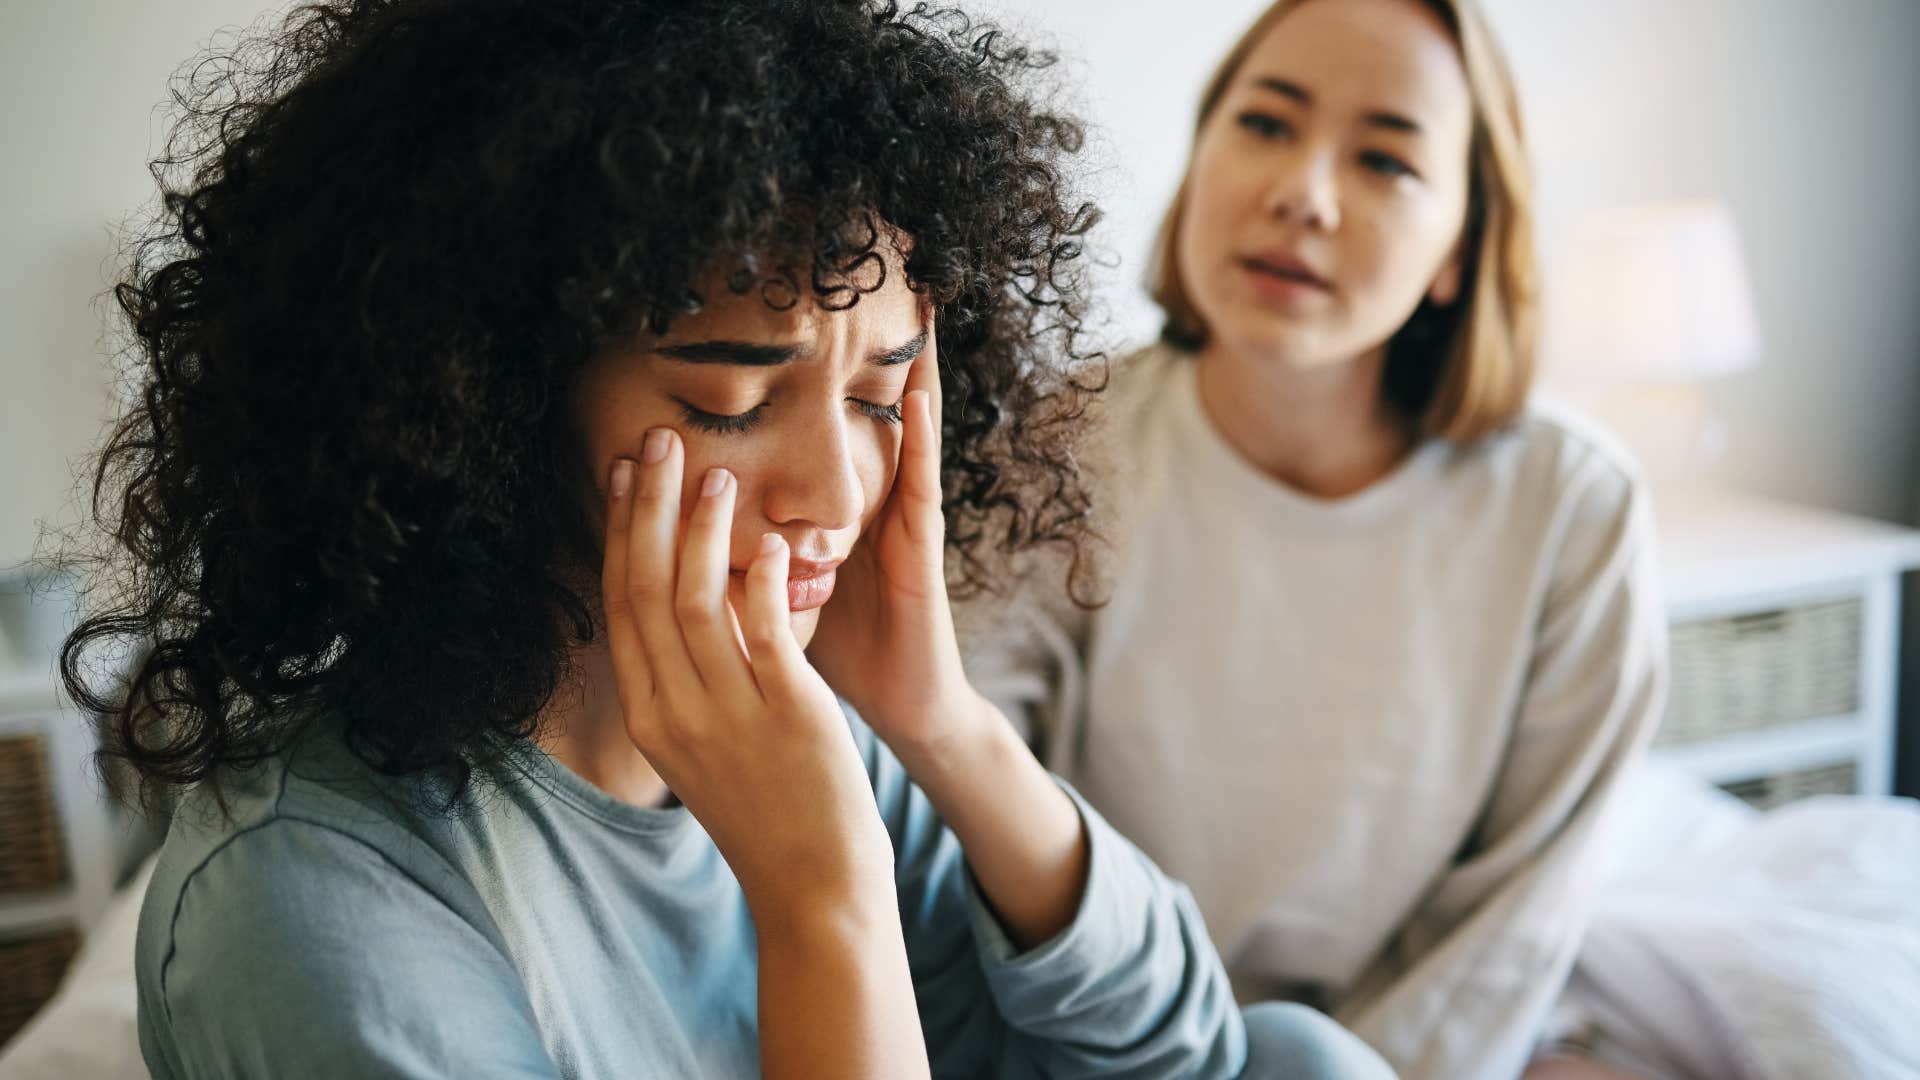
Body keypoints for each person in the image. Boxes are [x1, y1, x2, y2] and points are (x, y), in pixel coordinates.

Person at [58, 1, 1397, 1076]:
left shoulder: (815, 733)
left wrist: (944, 727)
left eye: (880, 398)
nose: (833, 489)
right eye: (732, 402)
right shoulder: (312, 909)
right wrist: (822, 902)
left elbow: (1193, 1049)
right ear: (488, 407)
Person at [964, 0, 1665, 1076]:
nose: (1304, 193)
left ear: (1459, 250)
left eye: (1385, 161)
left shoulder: (1573, 513)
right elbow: (963, 806)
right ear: (1201, 155)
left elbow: (1510, 925)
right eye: (1265, 124)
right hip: (1095, 1032)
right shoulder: (1051, 448)